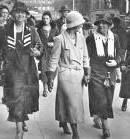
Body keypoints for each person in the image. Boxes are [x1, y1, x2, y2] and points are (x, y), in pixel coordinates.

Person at [0, 2, 43, 139]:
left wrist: (37, 52)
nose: (20, 15)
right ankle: (19, 131)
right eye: (17, 12)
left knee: (26, 98)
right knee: (16, 98)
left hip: (28, 69)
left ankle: (21, 120)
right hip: (12, 70)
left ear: (26, 15)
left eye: (23, 13)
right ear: (12, 14)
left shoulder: (32, 30)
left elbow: (40, 47)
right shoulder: (4, 31)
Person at [47, 11, 90, 139]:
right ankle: (75, 132)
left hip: (79, 76)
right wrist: (50, 78)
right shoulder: (59, 39)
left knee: (69, 102)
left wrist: (87, 73)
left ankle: (63, 121)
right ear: (73, 25)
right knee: (72, 103)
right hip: (65, 74)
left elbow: (85, 57)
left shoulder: (81, 38)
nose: (81, 27)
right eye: (79, 24)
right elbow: (54, 59)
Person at [86, 14, 122, 138]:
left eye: (104, 23)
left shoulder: (115, 37)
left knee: (108, 99)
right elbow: (86, 56)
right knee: (101, 99)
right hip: (96, 72)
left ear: (109, 25)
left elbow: (120, 52)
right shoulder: (91, 38)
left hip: (110, 72)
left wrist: (117, 62)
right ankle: (105, 129)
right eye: (99, 23)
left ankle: (97, 118)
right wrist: (87, 73)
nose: (101, 25)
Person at [37, 11, 59, 97]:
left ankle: (51, 81)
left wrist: (53, 43)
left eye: (47, 18)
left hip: (53, 52)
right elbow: (37, 40)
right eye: (43, 18)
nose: (45, 20)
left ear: (50, 19)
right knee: (43, 70)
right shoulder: (39, 29)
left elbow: (58, 39)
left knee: (53, 68)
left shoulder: (54, 28)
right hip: (43, 52)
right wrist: (39, 46)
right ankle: (45, 89)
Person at [112, 16, 127, 83]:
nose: (115, 23)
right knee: (116, 62)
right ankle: (118, 77)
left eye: (116, 22)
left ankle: (120, 77)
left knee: (120, 62)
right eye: (114, 22)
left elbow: (124, 40)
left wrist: (123, 49)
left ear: (118, 22)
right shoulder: (112, 29)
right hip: (113, 48)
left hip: (120, 48)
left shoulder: (122, 30)